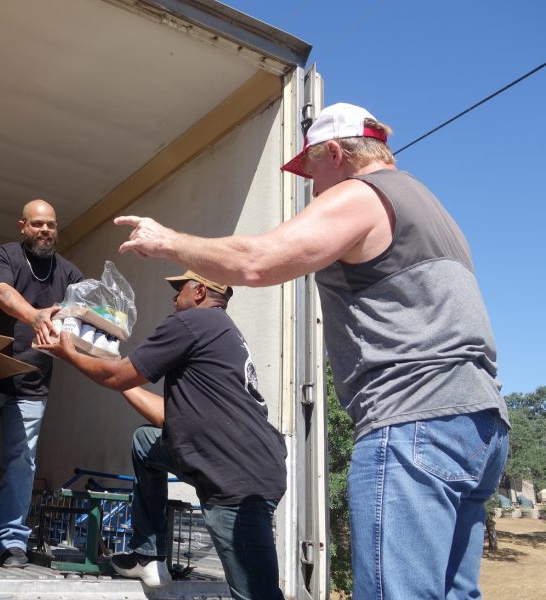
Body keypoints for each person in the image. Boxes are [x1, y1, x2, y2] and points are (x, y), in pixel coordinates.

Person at [112, 103, 509, 600]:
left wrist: (168, 240)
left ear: (338, 154)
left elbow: (257, 262)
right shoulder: (431, 208)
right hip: (479, 428)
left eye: (311, 170)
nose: (312, 188)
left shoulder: (363, 194)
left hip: (413, 421)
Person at [38, 270, 287, 600]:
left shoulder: (192, 323)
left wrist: (71, 354)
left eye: (179, 288)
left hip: (237, 480)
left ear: (199, 291)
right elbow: (166, 415)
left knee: (257, 595)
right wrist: (115, 370)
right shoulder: (220, 332)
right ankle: (149, 556)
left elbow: (117, 376)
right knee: (146, 443)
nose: (174, 297)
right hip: (239, 463)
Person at [0, 199, 83, 567]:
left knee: (22, 463)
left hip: (33, 382)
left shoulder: (69, 274)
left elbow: (87, 312)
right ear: (22, 226)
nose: (45, 231)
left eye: (50, 225)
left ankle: (12, 541)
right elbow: (0, 293)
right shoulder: (1, 256)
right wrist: (35, 315)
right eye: (37, 224)